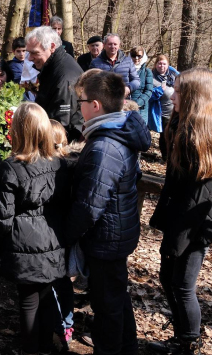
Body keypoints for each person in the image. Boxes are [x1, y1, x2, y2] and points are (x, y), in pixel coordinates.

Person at [65, 71, 151, 355]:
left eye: (81, 101)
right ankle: (128, 348)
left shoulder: (105, 145)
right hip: (115, 233)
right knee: (116, 299)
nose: (79, 107)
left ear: (96, 105)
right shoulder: (113, 132)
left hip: (107, 238)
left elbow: (90, 206)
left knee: (107, 308)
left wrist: (65, 235)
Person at [147, 69, 212, 355]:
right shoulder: (183, 125)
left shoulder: (204, 136)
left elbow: (199, 197)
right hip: (179, 217)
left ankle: (189, 343)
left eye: (179, 91)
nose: (173, 94)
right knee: (167, 278)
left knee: (182, 285)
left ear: (195, 97)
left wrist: (178, 239)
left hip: (194, 224)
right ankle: (183, 335)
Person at [0, 103, 74, 355]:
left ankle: (31, 350)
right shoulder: (59, 165)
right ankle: (45, 346)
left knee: (29, 301)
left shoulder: (9, 169)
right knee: (46, 298)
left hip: (23, 243)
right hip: (52, 241)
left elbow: (2, 217)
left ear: (18, 131)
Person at [25, 26, 84, 142]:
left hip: (63, 144)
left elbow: (61, 125)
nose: (30, 58)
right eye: (29, 53)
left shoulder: (64, 78)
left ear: (52, 47)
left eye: (35, 53)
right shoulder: (52, 66)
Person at [90, 33, 140, 98]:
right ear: (104, 45)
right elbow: (90, 83)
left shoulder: (128, 61)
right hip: (104, 100)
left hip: (123, 100)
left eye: (115, 44)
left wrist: (128, 88)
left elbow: (136, 80)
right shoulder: (95, 63)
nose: (113, 46)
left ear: (119, 45)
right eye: (110, 44)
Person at [151, 54, 180, 158]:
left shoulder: (173, 75)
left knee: (176, 134)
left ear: (168, 65)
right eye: (159, 63)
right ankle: (166, 157)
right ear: (156, 64)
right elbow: (149, 95)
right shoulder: (151, 76)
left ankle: (174, 155)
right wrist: (159, 91)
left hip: (176, 110)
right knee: (165, 135)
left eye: (164, 64)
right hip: (161, 112)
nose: (161, 66)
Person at [130, 46, 153, 124]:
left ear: (143, 56)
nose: (136, 58)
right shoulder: (125, 70)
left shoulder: (147, 72)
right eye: (133, 55)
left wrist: (137, 103)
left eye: (139, 56)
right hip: (127, 106)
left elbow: (149, 91)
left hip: (141, 108)